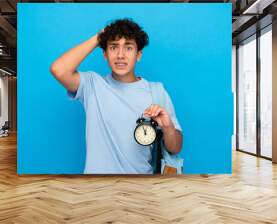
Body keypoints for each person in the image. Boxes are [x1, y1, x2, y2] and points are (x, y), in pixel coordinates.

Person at [50, 18, 183, 174]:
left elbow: (175, 148)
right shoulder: (92, 85)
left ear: (138, 54)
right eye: (113, 47)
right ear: (105, 54)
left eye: (128, 48)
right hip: (96, 188)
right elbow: (58, 69)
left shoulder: (156, 92)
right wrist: (99, 37)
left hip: (140, 188)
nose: (120, 55)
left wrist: (168, 128)